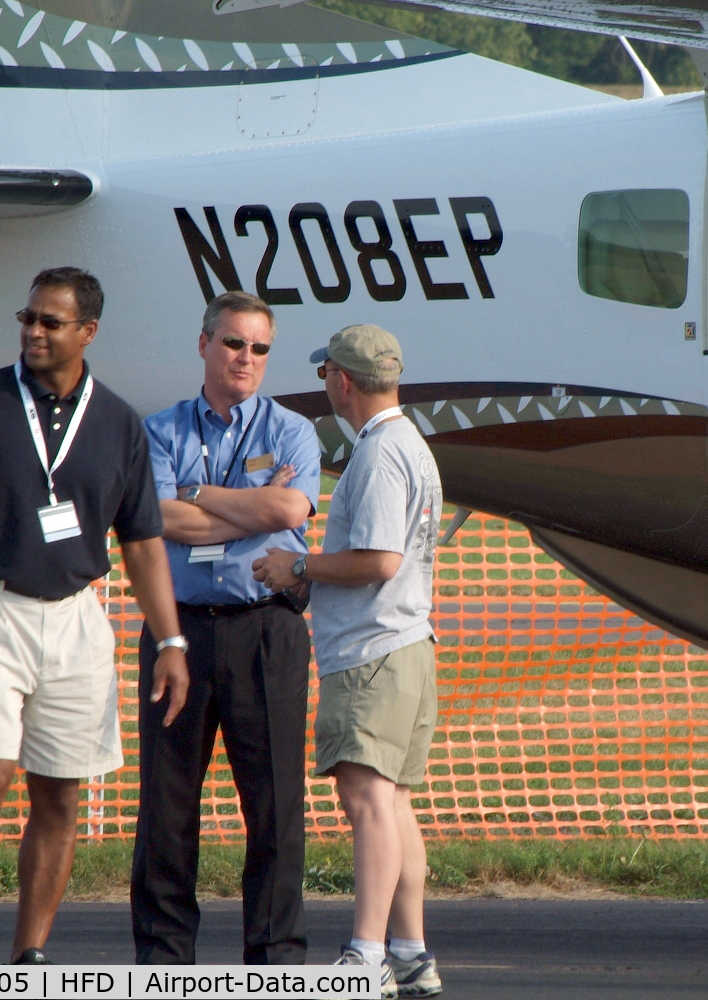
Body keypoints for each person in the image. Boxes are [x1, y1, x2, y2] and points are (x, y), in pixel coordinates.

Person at [0, 267, 190, 966]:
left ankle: (30, 954)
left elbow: (141, 544)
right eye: (28, 317)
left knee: (60, 793)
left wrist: (170, 639)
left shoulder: (118, 421)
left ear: (88, 333)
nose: (34, 332)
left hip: (77, 616)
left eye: (51, 322)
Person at [134, 291, 324, 965]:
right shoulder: (160, 431)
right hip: (177, 630)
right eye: (234, 342)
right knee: (166, 807)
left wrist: (196, 494)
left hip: (264, 631)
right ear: (204, 344)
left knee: (274, 807)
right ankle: (163, 960)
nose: (246, 357)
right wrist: (250, 510)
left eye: (259, 347)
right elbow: (157, 520)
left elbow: (289, 506)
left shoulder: (293, 430)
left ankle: (275, 961)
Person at [253, 325, 443, 1000]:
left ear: (342, 381)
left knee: (367, 802)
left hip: (373, 651)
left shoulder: (381, 453)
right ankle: (411, 951)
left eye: (327, 373)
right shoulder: (407, 444)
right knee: (392, 805)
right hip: (405, 647)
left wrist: (296, 565)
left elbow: (380, 560)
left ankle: (367, 954)